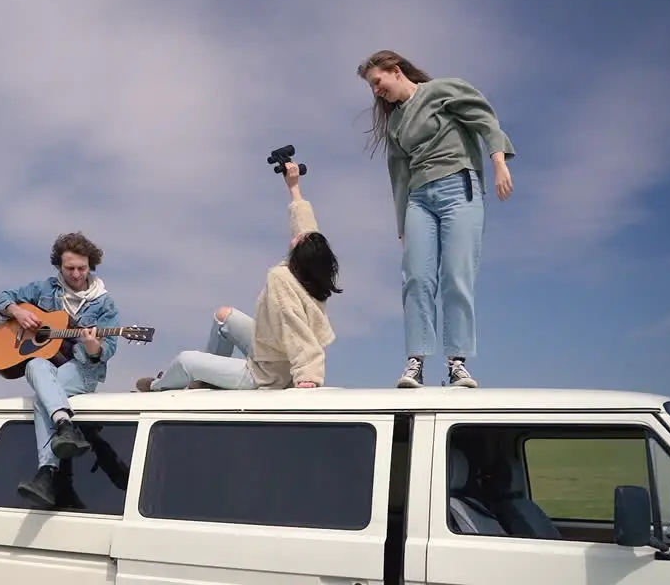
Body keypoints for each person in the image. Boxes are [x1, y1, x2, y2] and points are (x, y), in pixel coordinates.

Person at [357, 49, 516, 389]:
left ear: (395, 70)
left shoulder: (442, 90)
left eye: (377, 81)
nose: (375, 91)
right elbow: (398, 176)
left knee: (457, 275)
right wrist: (402, 223)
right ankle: (415, 361)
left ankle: (457, 363)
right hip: (419, 199)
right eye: (371, 86)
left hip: (459, 186)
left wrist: (499, 160)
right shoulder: (396, 123)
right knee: (416, 278)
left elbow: (484, 118)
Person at [134, 162, 340, 392]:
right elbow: (305, 227)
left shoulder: (281, 279)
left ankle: (156, 386)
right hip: (272, 352)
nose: (296, 238)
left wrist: (307, 377)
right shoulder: (312, 270)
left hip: (266, 376)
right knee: (223, 316)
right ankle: (206, 381)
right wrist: (294, 186)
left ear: (301, 257)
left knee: (186, 361)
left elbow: (296, 330)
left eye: (299, 241)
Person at [0, 231, 121, 508]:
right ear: (59, 266)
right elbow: (3, 297)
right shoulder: (45, 289)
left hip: (83, 370)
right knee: (35, 364)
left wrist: (93, 347)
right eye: (69, 268)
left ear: (91, 266)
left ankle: (48, 471)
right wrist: (17, 312)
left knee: (44, 397)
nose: (75, 274)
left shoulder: (104, 304)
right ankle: (63, 424)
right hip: (50, 369)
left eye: (81, 268)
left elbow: (107, 350)